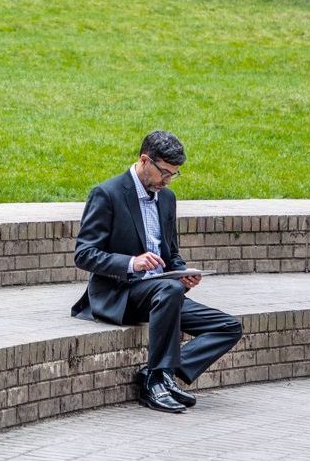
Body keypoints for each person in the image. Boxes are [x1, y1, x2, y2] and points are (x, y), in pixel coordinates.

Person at [71, 130, 242, 413]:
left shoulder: (167, 198)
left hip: (164, 292)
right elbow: (84, 254)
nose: (167, 180)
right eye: (164, 172)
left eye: (174, 174)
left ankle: (158, 373)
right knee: (169, 290)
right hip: (122, 293)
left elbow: (170, 253)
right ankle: (154, 384)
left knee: (228, 327)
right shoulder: (107, 194)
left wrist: (182, 273)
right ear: (144, 161)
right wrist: (131, 263)